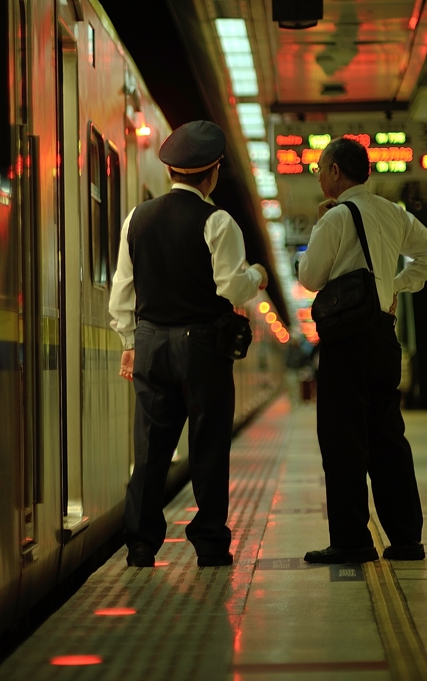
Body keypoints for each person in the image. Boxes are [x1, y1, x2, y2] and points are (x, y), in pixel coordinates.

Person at [109, 120, 268, 568]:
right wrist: (256, 275)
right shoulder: (217, 221)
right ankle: (210, 542)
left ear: (171, 171)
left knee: (151, 447)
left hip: (151, 342)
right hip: (201, 347)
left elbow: (124, 289)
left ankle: (141, 543)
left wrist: (129, 340)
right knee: (208, 444)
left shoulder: (135, 219)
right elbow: (233, 288)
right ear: (212, 172)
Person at [298, 137, 427, 564]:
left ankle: (352, 541)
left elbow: (309, 277)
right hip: (384, 336)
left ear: (335, 172)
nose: (320, 175)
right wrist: (395, 286)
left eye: (320, 168)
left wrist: (319, 227)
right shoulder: (392, 212)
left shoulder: (335, 218)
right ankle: (405, 540)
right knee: (388, 437)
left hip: (347, 342)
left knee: (343, 441)